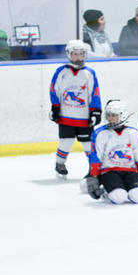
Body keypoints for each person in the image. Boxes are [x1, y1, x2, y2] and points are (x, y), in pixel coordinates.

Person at [49, 39, 102, 178]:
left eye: (81, 54)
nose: (78, 57)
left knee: (87, 143)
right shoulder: (61, 72)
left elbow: (94, 93)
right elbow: (54, 90)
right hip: (65, 116)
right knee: (66, 141)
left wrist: (96, 111)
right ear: (69, 54)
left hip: (84, 117)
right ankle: (60, 163)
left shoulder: (89, 73)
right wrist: (55, 108)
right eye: (75, 54)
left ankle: (94, 167)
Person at [84, 100, 138, 204]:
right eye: (108, 115)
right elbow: (96, 158)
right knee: (119, 197)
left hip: (130, 172)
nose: (110, 118)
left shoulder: (133, 133)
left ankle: (123, 187)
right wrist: (93, 178)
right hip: (109, 172)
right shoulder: (100, 133)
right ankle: (106, 190)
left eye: (113, 115)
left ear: (123, 115)